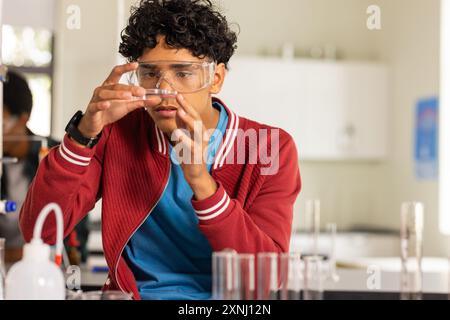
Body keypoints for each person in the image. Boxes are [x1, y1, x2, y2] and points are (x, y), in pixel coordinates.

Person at [20, 0, 301, 300]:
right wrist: (82, 136)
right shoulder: (116, 132)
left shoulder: (269, 147)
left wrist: (202, 185)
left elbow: (268, 277)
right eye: (150, 74)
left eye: (182, 73)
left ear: (215, 78)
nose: (164, 90)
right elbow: (41, 231)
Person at [1, 71, 88, 264]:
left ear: (23, 119)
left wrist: (19, 255)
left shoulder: (59, 156)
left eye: (1, 122)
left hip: (48, 272)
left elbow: (76, 239)